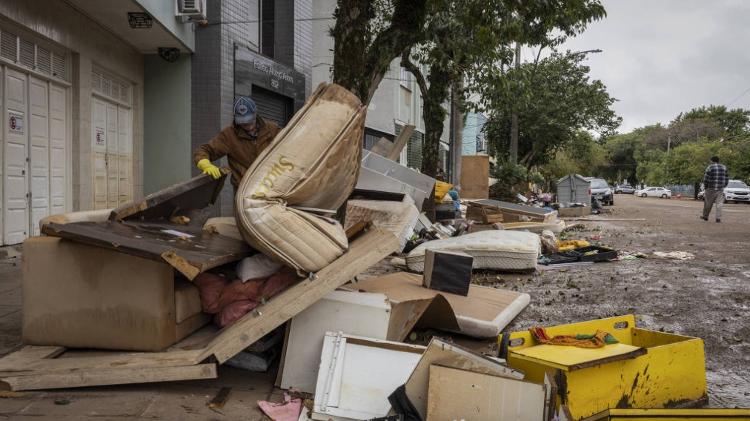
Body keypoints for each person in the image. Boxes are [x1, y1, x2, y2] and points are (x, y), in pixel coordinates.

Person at [194, 97, 281, 190]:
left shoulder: (272, 129)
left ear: (255, 114)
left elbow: (291, 145)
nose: (247, 125)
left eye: (249, 120)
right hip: (244, 190)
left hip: (272, 185)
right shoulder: (229, 135)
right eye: (243, 122)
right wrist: (205, 164)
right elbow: (203, 150)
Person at [701, 156, 728, 223]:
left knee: (708, 203)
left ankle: (705, 216)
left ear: (712, 161)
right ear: (718, 161)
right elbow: (727, 178)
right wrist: (724, 185)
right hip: (720, 188)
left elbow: (706, 178)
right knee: (719, 204)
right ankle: (718, 218)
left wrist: (705, 186)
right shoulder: (724, 167)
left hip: (711, 188)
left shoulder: (710, 167)